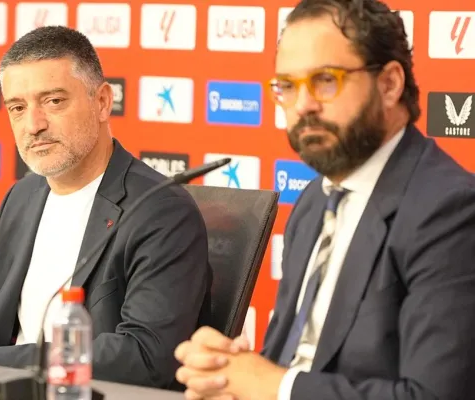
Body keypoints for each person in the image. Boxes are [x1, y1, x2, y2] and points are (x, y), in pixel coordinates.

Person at [173, 0, 475, 399]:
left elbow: (433, 396)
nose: (303, 105)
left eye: (326, 80)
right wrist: (229, 376)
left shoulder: (450, 210)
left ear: (389, 84)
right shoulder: (315, 200)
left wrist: (272, 385)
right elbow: (292, 361)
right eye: (287, 86)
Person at [0, 26, 213, 390]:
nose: (33, 125)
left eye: (54, 101)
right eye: (18, 108)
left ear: (102, 102)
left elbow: (146, 355)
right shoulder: (22, 196)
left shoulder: (160, 211)